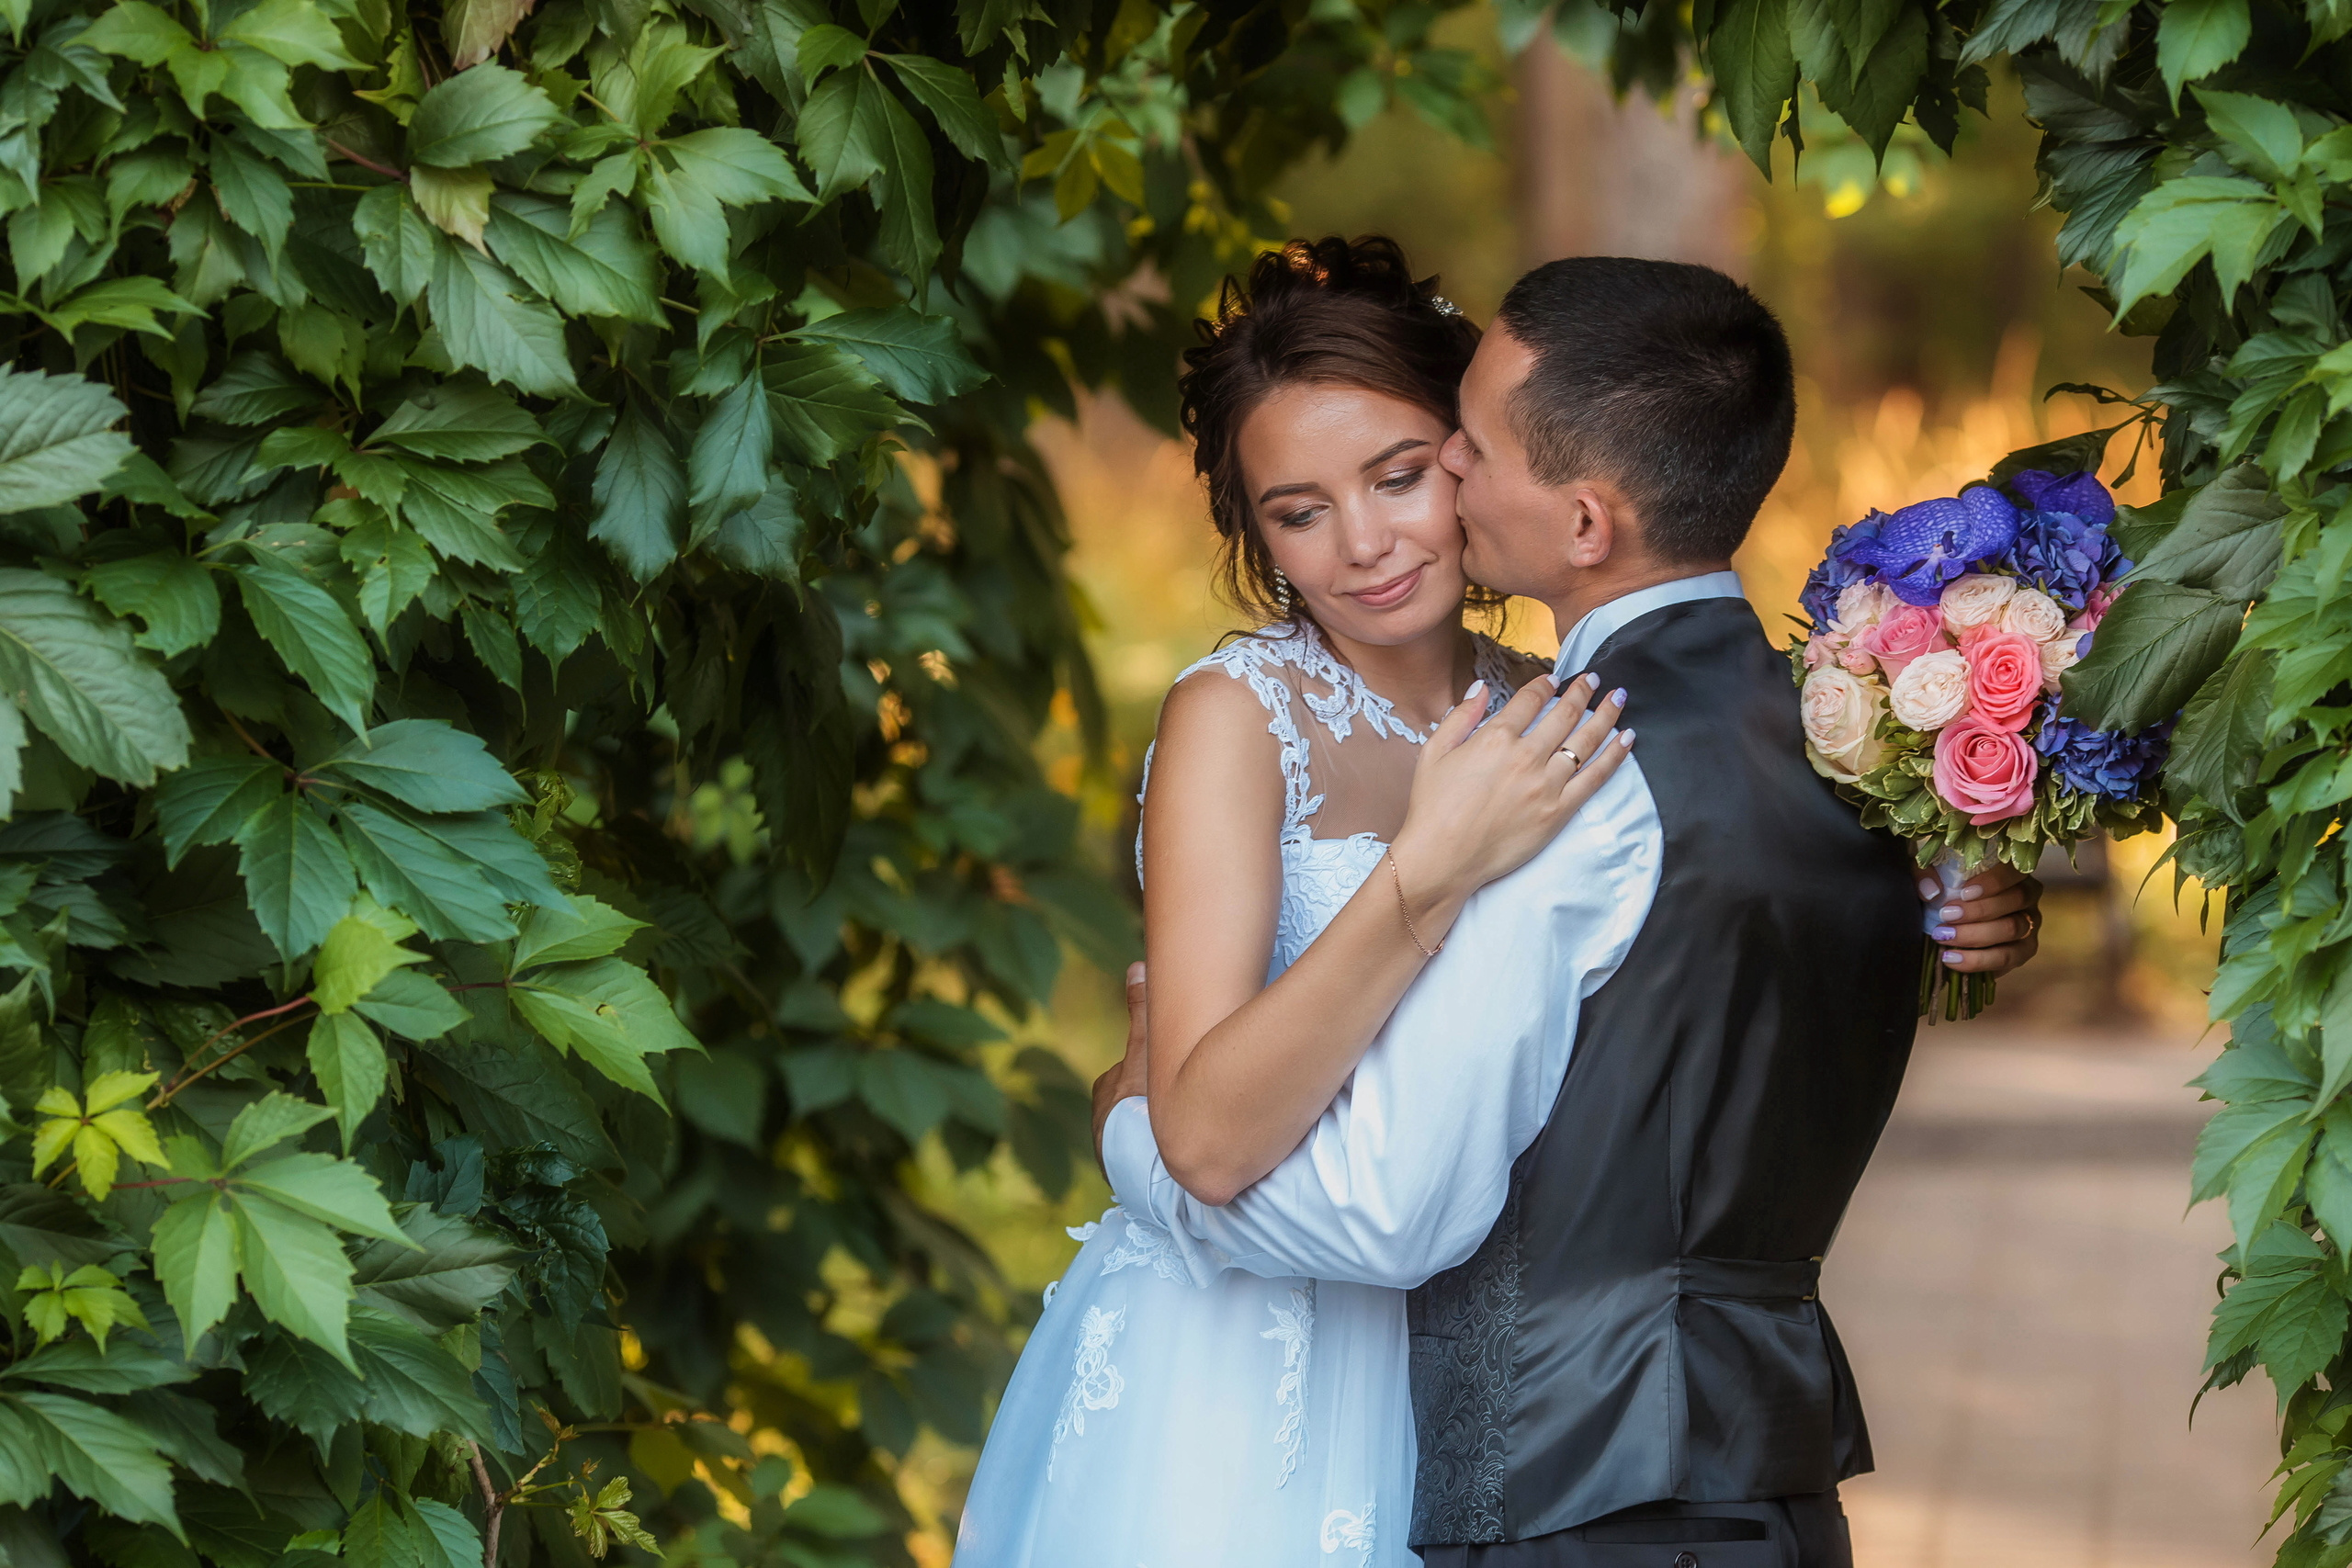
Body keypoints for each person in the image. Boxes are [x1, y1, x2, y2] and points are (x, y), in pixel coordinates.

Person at [956, 242, 2038, 1568]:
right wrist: (1420, 878)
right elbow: (1222, 1131)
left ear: (1475, 465)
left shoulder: (1576, 717)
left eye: (1410, 473)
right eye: (1297, 512)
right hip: (1263, 1358)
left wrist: (1957, 884)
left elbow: (1726, 921)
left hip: (1518, 1391)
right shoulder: (1240, 718)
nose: (1364, 543)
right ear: (1257, 534)